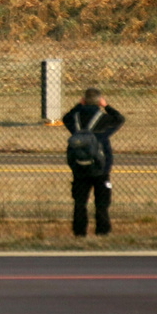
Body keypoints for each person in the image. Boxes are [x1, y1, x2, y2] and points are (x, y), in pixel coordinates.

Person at [62, 87, 125, 237]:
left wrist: (78, 105)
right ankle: (102, 231)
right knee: (102, 203)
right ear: (99, 101)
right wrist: (106, 106)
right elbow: (119, 119)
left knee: (80, 202)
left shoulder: (75, 119)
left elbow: (65, 118)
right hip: (101, 167)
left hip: (79, 166)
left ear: (83, 100)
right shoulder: (103, 120)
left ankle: (79, 232)